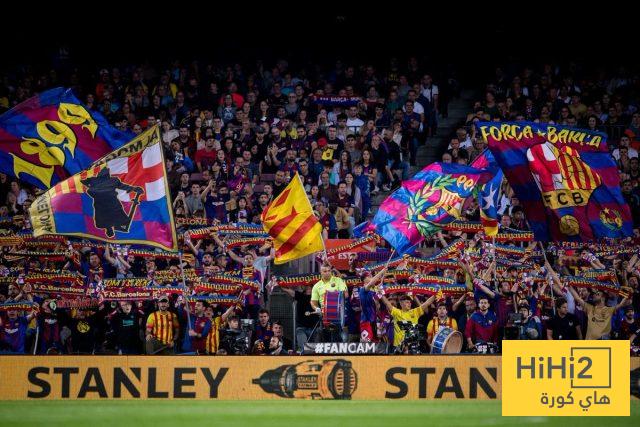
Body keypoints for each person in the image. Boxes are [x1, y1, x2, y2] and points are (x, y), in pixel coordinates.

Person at [310, 264, 348, 343]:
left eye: (329, 271)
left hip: (338, 315)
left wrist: (336, 294)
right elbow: (313, 302)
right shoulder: (317, 286)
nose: (327, 273)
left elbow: (346, 295)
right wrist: (317, 308)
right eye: (325, 271)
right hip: (324, 316)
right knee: (325, 340)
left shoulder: (338, 280)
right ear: (321, 272)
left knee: (337, 340)